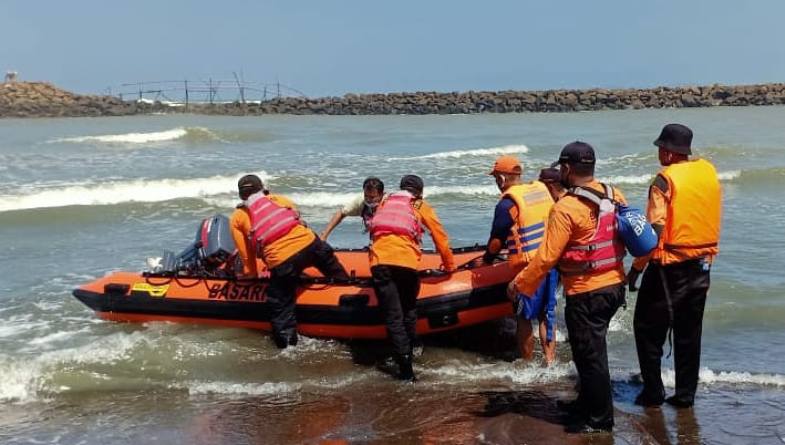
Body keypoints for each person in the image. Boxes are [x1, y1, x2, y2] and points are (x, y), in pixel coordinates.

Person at [507, 142, 627, 434]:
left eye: (561, 167)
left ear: (567, 169)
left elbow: (547, 257)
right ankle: (585, 405)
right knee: (589, 353)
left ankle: (599, 420)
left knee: (591, 355)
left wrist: (520, 284)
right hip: (614, 286)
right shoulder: (614, 194)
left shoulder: (565, 208)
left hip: (587, 291)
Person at [627, 124, 722, 408]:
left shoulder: (664, 181)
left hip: (669, 266)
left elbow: (653, 233)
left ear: (668, 152)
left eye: (660, 148)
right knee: (689, 332)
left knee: (645, 328)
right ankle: (685, 395)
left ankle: (653, 392)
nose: (658, 152)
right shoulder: (708, 173)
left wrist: (636, 269)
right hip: (703, 263)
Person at [229, 174, 349, 349]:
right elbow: (298, 220)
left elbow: (247, 255)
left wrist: (251, 276)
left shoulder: (238, 217)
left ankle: (288, 349)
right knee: (338, 275)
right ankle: (349, 311)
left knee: (280, 306)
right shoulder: (279, 199)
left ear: (241, 196)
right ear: (262, 188)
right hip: (312, 245)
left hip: (282, 260)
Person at [368, 174, 456, 381]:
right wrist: (450, 266)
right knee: (408, 308)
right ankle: (410, 359)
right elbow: (439, 236)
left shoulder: (385, 203)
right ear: (420, 192)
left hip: (380, 263)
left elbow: (375, 233)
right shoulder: (420, 206)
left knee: (393, 316)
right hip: (406, 264)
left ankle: (403, 360)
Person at [484, 155, 559, 365]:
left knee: (524, 316)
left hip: (530, 268)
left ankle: (527, 364)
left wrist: (486, 261)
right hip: (550, 261)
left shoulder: (508, 203)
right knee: (547, 313)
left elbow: (496, 242)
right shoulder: (540, 191)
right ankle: (550, 360)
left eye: (496, 178)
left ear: (501, 177)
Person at [320, 177, 385, 241]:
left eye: (372, 197)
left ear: (381, 194)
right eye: (366, 196)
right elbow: (341, 213)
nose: (368, 200)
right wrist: (325, 235)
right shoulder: (361, 202)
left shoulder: (389, 203)